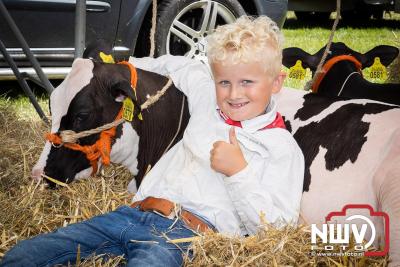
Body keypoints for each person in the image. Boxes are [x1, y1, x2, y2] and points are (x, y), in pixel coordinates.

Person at [0, 15, 304, 267]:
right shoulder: (208, 101)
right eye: (224, 82)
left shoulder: (281, 148)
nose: (234, 94)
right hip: (131, 214)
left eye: (247, 82)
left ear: (276, 82)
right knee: (22, 256)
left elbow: (276, 230)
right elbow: (182, 67)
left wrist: (239, 173)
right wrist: (123, 66)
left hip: (182, 235)